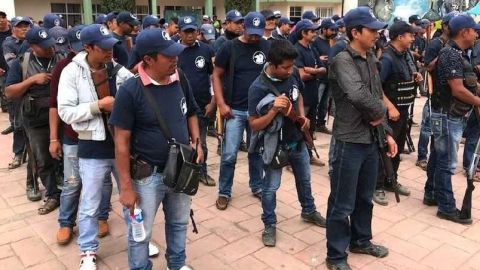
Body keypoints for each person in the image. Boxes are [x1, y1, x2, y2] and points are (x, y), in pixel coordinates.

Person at [111, 28, 202, 270]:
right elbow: (120, 143)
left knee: (179, 222)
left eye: (175, 54)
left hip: (181, 169)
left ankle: (177, 264)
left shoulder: (179, 78)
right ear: (148, 60)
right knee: (141, 231)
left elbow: (191, 111)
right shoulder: (130, 91)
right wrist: (127, 187)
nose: (175, 59)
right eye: (168, 56)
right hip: (147, 176)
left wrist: (197, 142)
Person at [57, 24, 133, 269]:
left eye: (112, 46)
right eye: (104, 48)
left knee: (132, 197)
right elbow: (65, 112)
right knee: (90, 202)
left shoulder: (118, 69)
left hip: (122, 145)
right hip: (92, 146)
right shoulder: (71, 72)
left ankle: (138, 239)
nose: (110, 51)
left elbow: (135, 92)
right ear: (88, 47)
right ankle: (88, 251)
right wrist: (98, 105)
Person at [326, 7, 396, 270]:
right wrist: (380, 112)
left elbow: (377, 94)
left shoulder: (369, 58)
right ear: (355, 32)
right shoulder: (342, 60)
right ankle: (335, 256)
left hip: (370, 140)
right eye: (372, 30)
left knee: (365, 197)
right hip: (349, 141)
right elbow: (356, 94)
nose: (377, 34)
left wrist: (386, 130)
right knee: (342, 202)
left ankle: (361, 240)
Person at [248, 39, 326, 247]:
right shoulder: (258, 87)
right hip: (275, 147)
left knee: (305, 180)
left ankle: (309, 211)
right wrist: (273, 110)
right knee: (270, 188)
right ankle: (269, 224)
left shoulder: (292, 75)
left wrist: (302, 116)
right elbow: (254, 124)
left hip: (297, 141)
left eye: (292, 66)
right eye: (286, 67)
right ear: (272, 64)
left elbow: (297, 94)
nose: (291, 70)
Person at [423, 13, 480, 225]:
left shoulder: (458, 52)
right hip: (447, 115)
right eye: (474, 30)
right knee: (447, 162)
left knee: (439, 156)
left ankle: (431, 194)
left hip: (448, 114)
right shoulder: (451, 54)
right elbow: (457, 90)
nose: (476, 33)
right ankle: (446, 207)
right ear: (464, 31)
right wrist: (478, 102)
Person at [5, 26, 65, 213]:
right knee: (42, 159)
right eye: (43, 46)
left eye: (51, 44)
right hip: (35, 120)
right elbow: (9, 93)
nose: (50, 49)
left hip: (62, 118)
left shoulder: (62, 59)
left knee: (65, 156)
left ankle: (65, 189)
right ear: (31, 46)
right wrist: (32, 80)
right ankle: (53, 195)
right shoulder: (22, 62)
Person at [213, 12, 269, 210]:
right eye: (251, 33)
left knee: (256, 152)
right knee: (229, 154)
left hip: (258, 111)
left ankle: (257, 186)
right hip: (234, 110)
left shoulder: (266, 46)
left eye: (258, 33)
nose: (255, 37)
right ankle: (224, 191)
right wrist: (221, 104)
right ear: (243, 27)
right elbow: (216, 75)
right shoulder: (229, 47)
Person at [373, 21, 420, 206]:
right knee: (384, 150)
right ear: (400, 37)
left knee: (397, 150)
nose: (413, 38)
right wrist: (390, 107)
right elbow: (377, 88)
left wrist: (414, 76)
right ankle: (376, 186)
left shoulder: (403, 55)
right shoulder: (387, 58)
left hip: (403, 112)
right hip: (390, 114)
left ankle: (390, 181)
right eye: (410, 35)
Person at [177, 15, 216, 186]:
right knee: (179, 142)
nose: (190, 35)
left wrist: (213, 101)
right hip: (177, 105)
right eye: (186, 32)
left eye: (193, 31)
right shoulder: (173, 51)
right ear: (179, 32)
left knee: (200, 141)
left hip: (201, 105)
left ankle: (201, 171)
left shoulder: (206, 50)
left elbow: (213, 76)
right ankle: (180, 173)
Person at [416, 11, 457, 171]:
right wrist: (442, 56)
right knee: (427, 127)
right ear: (445, 26)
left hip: (447, 96)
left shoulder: (455, 45)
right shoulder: (436, 43)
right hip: (435, 92)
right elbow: (428, 66)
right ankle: (421, 157)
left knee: (439, 130)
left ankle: (435, 158)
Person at [293, 19, 327, 166]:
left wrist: (311, 70)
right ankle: (293, 159)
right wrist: (316, 71)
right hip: (302, 97)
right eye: (312, 31)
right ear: (303, 33)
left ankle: (309, 155)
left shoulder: (312, 49)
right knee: (300, 128)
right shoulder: (296, 50)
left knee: (310, 128)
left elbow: (324, 69)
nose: (315, 34)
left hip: (313, 96)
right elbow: (300, 75)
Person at [2, 16, 31, 172]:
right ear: (13, 28)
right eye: (20, 26)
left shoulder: (31, 42)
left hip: (31, 88)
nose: (24, 29)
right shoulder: (9, 43)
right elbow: (13, 64)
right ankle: (18, 154)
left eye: (27, 26)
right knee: (18, 124)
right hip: (16, 86)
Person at [313, 17, 337, 135]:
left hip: (329, 77)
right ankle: (311, 126)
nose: (333, 32)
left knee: (324, 103)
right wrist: (319, 58)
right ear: (323, 29)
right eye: (331, 30)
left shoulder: (331, 41)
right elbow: (314, 56)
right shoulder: (316, 41)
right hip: (319, 78)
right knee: (316, 102)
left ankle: (320, 124)